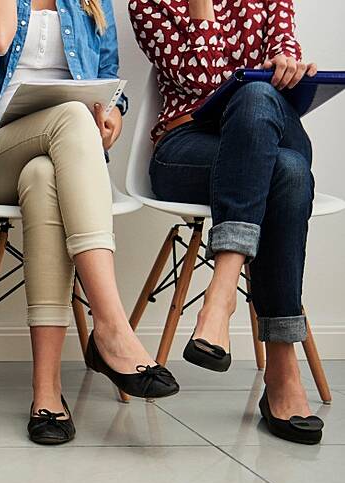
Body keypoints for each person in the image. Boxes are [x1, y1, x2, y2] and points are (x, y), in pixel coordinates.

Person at [0, 0, 180, 445]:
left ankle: (46, 393)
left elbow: (111, 82)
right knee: (73, 117)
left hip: (58, 158)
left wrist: (112, 117)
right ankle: (112, 326)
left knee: (42, 177)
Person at [129, 0, 324, 444]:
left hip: (265, 130)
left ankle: (222, 294)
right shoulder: (148, 4)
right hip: (185, 148)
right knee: (289, 173)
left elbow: (283, 51)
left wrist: (289, 69)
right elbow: (204, 81)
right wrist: (200, 8)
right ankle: (282, 368)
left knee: (258, 96)